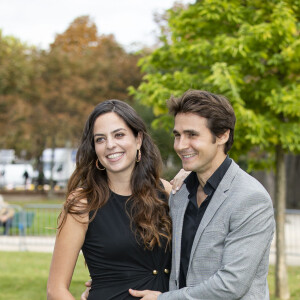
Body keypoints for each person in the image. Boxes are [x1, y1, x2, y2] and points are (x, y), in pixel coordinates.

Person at [128, 90, 275, 299]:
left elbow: (231, 284)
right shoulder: (179, 194)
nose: (180, 145)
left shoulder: (250, 198)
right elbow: (166, 261)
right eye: (177, 135)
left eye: (192, 135)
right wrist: (111, 280)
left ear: (222, 135)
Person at [47, 99, 188, 300]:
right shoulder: (83, 203)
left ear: (138, 139)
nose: (110, 145)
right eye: (100, 139)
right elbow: (55, 290)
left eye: (119, 135)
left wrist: (191, 179)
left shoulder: (166, 191)